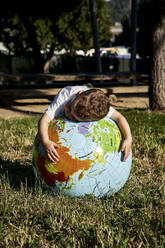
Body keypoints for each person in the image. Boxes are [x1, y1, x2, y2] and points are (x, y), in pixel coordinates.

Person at [38, 86, 132, 163]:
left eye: (74, 118)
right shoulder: (64, 97)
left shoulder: (98, 106)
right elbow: (44, 120)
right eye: (70, 107)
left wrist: (128, 138)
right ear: (79, 93)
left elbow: (120, 118)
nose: (68, 114)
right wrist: (46, 141)